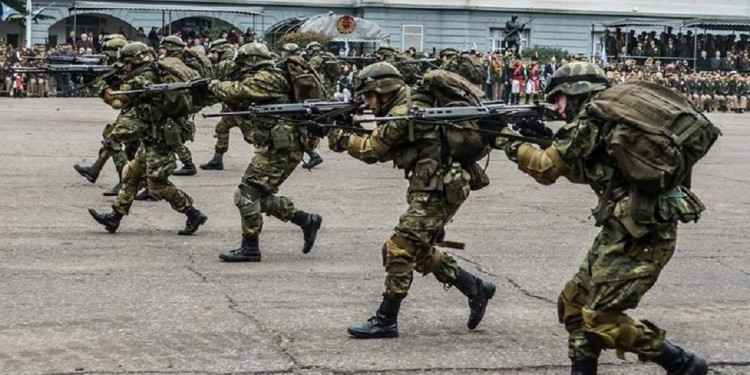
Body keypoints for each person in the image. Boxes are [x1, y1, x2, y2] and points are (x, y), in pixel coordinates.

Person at [497, 61, 713, 375]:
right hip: (624, 226)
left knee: (601, 319)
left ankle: (682, 363)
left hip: (643, 234)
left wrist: (506, 140)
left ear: (574, 93)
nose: (557, 109)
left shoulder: (595, 118)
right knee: (574, 304)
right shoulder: (608, 118)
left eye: (558, 99)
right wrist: (546, 142)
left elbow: (544, 170)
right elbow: (589, 170)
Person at [327, 62, 496, 339]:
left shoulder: (403, 112)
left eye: (369, 96)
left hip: (440, 187)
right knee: (416, 249)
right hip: (431, 183)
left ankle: (386, 319)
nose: (367, 103)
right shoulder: (405, 105)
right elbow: (383, 145)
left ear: (384, 91)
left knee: (398, 248)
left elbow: (372, 150)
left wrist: (340, 136)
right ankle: (475, 288)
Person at [208, 42, 322, 262]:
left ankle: (250, 247)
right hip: (279, 145)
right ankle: (307, 220)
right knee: (260, 196)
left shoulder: (267, 78)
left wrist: (211, 85)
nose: (239, 69)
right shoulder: (270, 76)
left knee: (246, 194)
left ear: (251, 62)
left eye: (242, 65)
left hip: (281, 147)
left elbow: (237, 91)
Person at [88, 42, 208, 236]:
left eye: (128, 63)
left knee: (157, 185)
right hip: (152, 136)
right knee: (132, 175)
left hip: (162, 139)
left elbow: (117, 101)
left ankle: (193, 213)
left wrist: (99, 86)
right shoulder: (150, 72)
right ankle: (115, 217)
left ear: (138, 60)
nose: (125, 67)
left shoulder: (145, 77)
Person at [73, 34, 132, 196]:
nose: (105, 58)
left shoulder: (130, 71)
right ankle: (95, 170)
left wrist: (99, 84)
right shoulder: (121, 68)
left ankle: (124, 183)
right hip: (133, 111)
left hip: (141, 113)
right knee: (112, 138)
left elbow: (117, 102)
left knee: (114, 140)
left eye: (108, 54)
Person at [200, 38, 248, 171]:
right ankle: (217, 159)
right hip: (231, 107)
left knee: (253, 136)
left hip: (238, 108)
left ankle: (309, 152)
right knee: (221, 129)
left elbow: (213, 78)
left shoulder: (226, 64)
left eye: (214, 52)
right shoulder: (232, 63)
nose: (212, 55)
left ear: (221, 52)